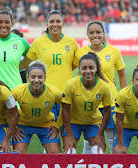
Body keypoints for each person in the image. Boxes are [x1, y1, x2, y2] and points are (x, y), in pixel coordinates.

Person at [25, 10, 79, 152]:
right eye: (52, 21)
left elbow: (73, 65)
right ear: (47, 24)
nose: (55, 24)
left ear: (63, 23)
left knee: (68, 138)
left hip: (66, 97)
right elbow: (29, 67)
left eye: (58, 21)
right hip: (45, 97)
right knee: (49, 138)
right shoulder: (38, 43)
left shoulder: (72, 43)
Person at [75, 20, 127, 154]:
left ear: (104, 34)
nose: (95, 35)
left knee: (111, 139)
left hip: (110, 102)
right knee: (89, 140)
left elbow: (122, 75)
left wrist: (124, 98)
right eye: (91, 32)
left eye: (98, 32)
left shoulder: (114, 51)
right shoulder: (80, 52)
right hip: (89, 102)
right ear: (87, 35)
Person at [60, 52, 112, 154]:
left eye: (91, 68)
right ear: (79, 69)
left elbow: (107, 111)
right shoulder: (71, 84)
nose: (88, 71)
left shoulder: (104, 86)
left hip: (92, 122)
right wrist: (69, 136)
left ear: (96, 68)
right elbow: (65, 110)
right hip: (73, 122)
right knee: (70, 152)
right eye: (84, 68)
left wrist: (100, 134)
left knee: (98, 152)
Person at [12, 60, 61, 153]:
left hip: (46, 124)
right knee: (18, 156)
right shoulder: (18, 91)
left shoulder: (54, 92)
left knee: (56, 156)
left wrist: (57, 125)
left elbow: (67, 106)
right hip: (23, 124)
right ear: (28, 78)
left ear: (45, 78)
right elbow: (5, 107)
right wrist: (13, 126)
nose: (36, 80)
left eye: (40, 77)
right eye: (33, 77)